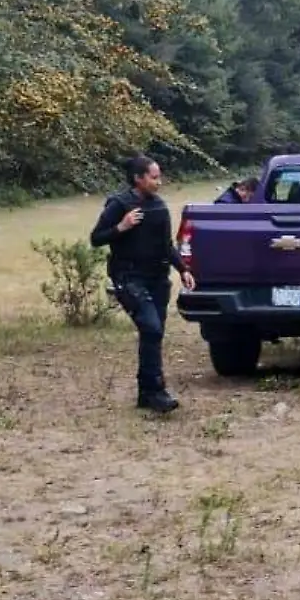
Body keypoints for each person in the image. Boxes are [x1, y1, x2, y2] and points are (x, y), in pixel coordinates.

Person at [89, 155, 196, 413]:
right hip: (129, 277)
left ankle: (146, 394)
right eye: (154, 177)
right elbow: (96, 238)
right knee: (150, 327)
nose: (159, 182)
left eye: (159, 176)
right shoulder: (119, 204)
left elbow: (167, 245)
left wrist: (183, 269)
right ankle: (156, 390)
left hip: (157, 278)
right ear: (138, 178)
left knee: (154, 333)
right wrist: (121, 227)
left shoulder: (159, 207)